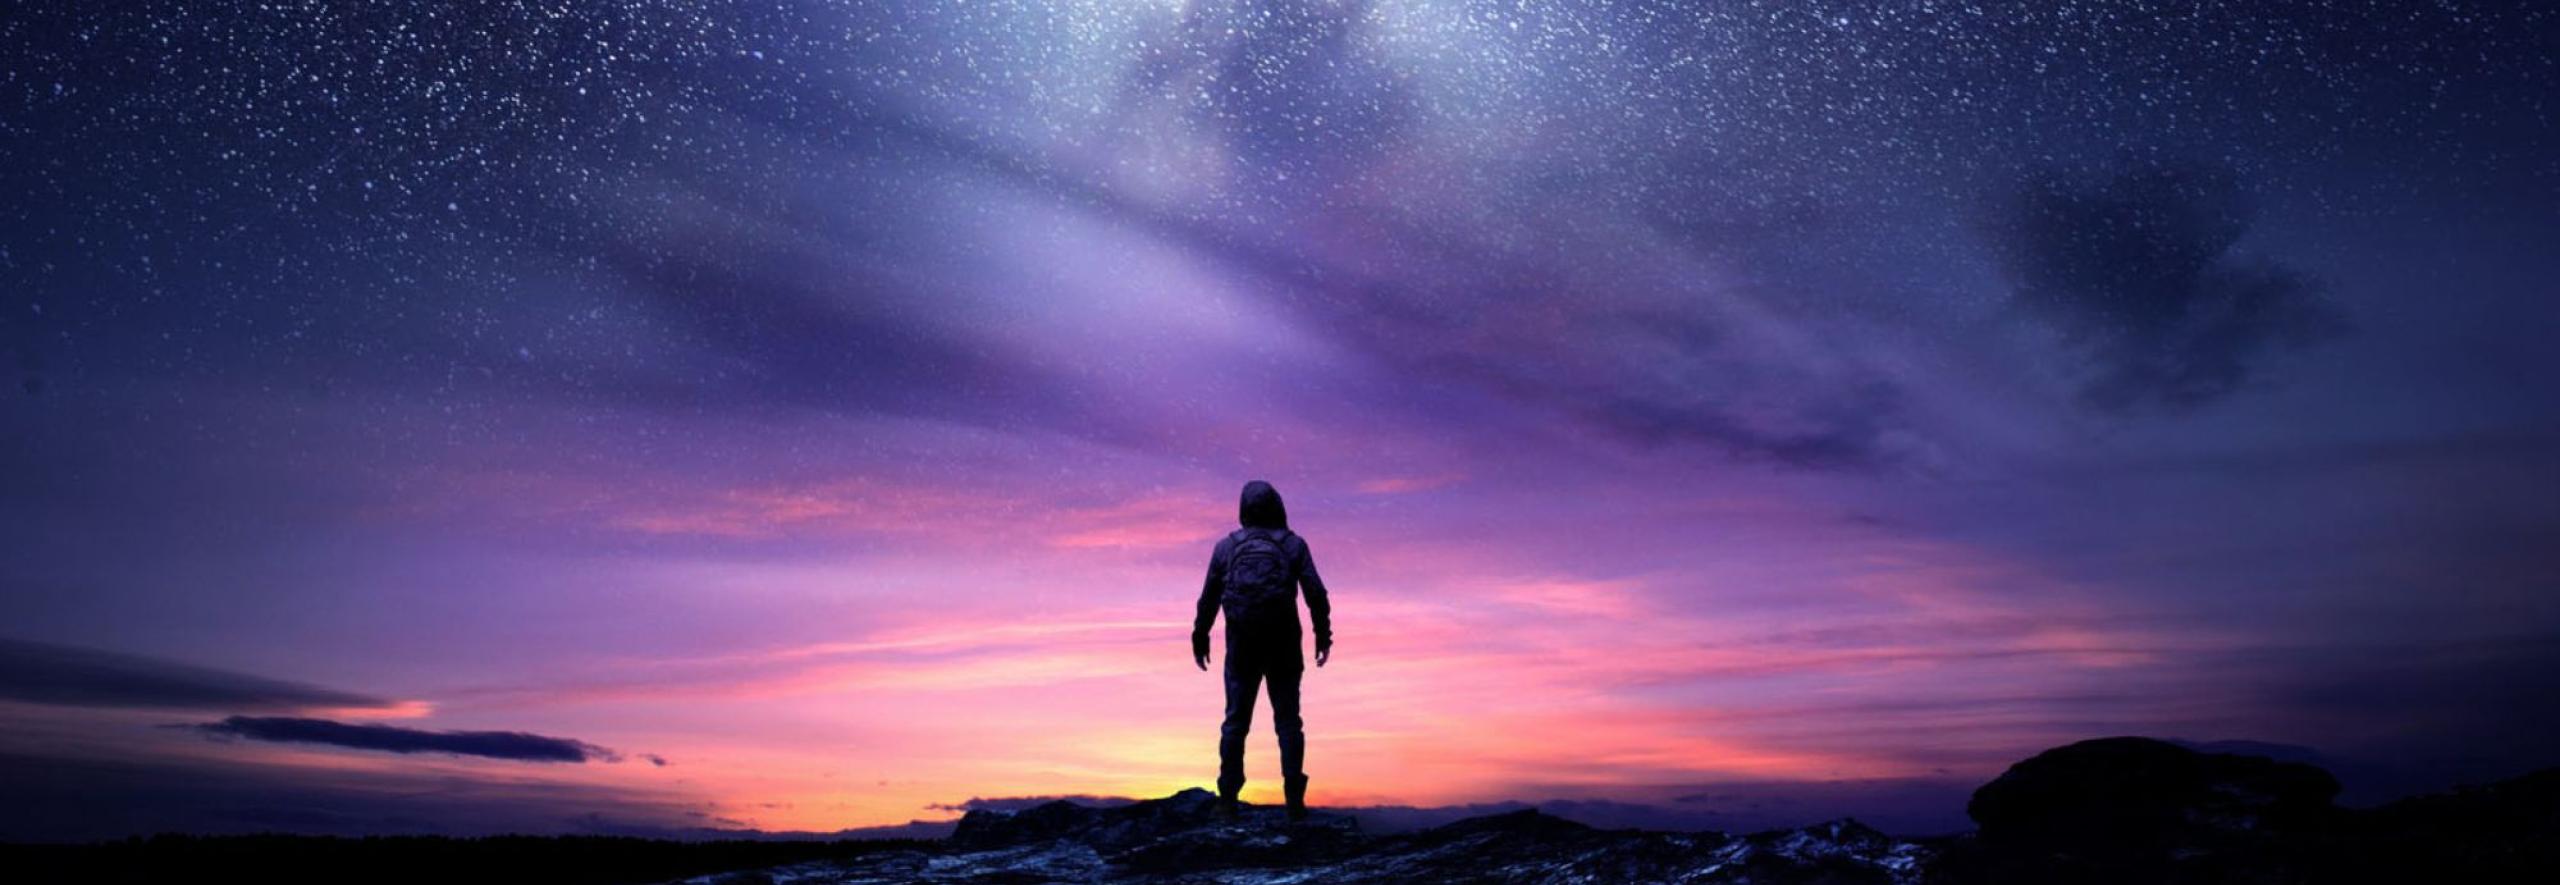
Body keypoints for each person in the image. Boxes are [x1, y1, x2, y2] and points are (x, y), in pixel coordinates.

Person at [1192, 479, 1332, 821]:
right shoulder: (1293, 545)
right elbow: (1316, 593)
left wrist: (1200, 634)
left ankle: (1227, 799)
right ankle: (1294, 801)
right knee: (1288, 722)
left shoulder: (1226, 548)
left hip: (1242, 645)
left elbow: (1209, 596)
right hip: (1284, 643)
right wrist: (1322, 635)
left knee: (1235, 722)